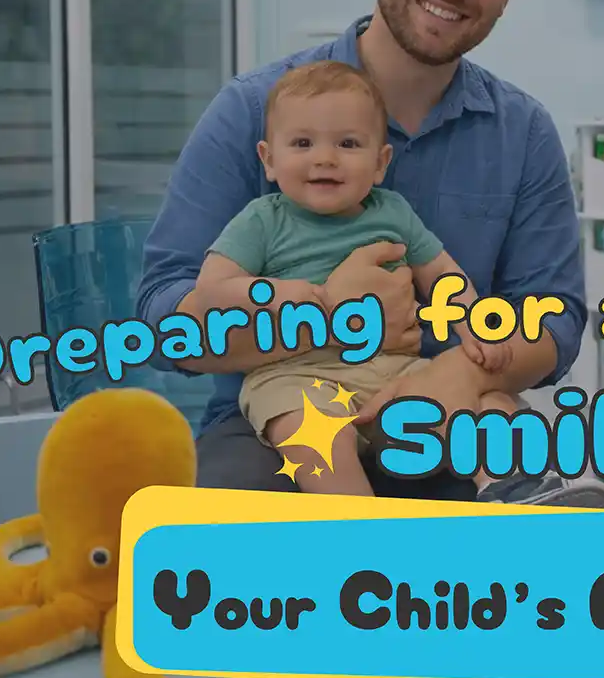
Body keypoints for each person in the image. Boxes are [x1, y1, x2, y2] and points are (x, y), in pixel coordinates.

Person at [138, 0, 604, 510]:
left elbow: (554, 321)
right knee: (243, 555)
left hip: (450, 408)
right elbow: (166, 321)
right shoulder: (251, 112)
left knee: (556, 552)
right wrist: (328, 312)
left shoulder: (522, 133)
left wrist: (454, 372)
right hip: (275, 426)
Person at [200, 59, 517, 497]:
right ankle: (359, 525)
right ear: (269, 160)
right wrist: (282, 295)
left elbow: (442, 273)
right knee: (313, 435)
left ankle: (512, 489)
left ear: (380, 162)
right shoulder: (261, 221)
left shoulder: (392, 213)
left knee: (492, 404)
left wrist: (475, 324)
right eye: (303, 143)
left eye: (348, 144)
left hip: (396, 373)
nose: (325, 159)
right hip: (297, 376)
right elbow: (212, 291)